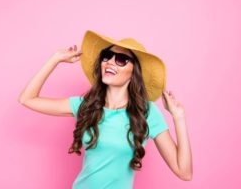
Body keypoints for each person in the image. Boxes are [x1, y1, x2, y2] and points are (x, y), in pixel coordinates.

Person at [18, 30, 193, 188]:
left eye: (121, 59)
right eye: (107, 56)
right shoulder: (85, 106)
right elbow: (27, 99)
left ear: (133, 73)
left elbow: (184, 172)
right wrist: (55, 58)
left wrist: (179, 117)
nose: (109, 62)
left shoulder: (146, 112)